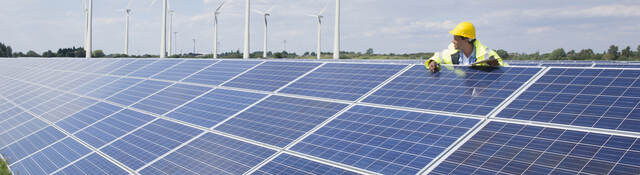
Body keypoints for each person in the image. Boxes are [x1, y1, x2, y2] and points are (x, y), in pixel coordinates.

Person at [426, 22, 505, 72]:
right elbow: (438, 56)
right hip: (460, 93)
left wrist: (496, 67)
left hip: (479, 93)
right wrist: (432, 62)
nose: (452, 41)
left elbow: (506, 71)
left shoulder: (487, 54)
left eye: (455, 39)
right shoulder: (451, 52)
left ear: (466, 40)